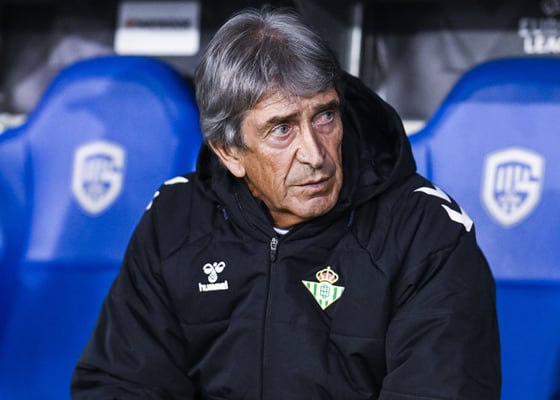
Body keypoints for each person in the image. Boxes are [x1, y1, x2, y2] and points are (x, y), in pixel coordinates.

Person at [71, 6, 501, 399]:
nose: (315, 154)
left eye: (325, 116)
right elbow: (120, 384)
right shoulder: (176, 217)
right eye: (282, 129)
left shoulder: (425, 230)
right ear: (229, 152)